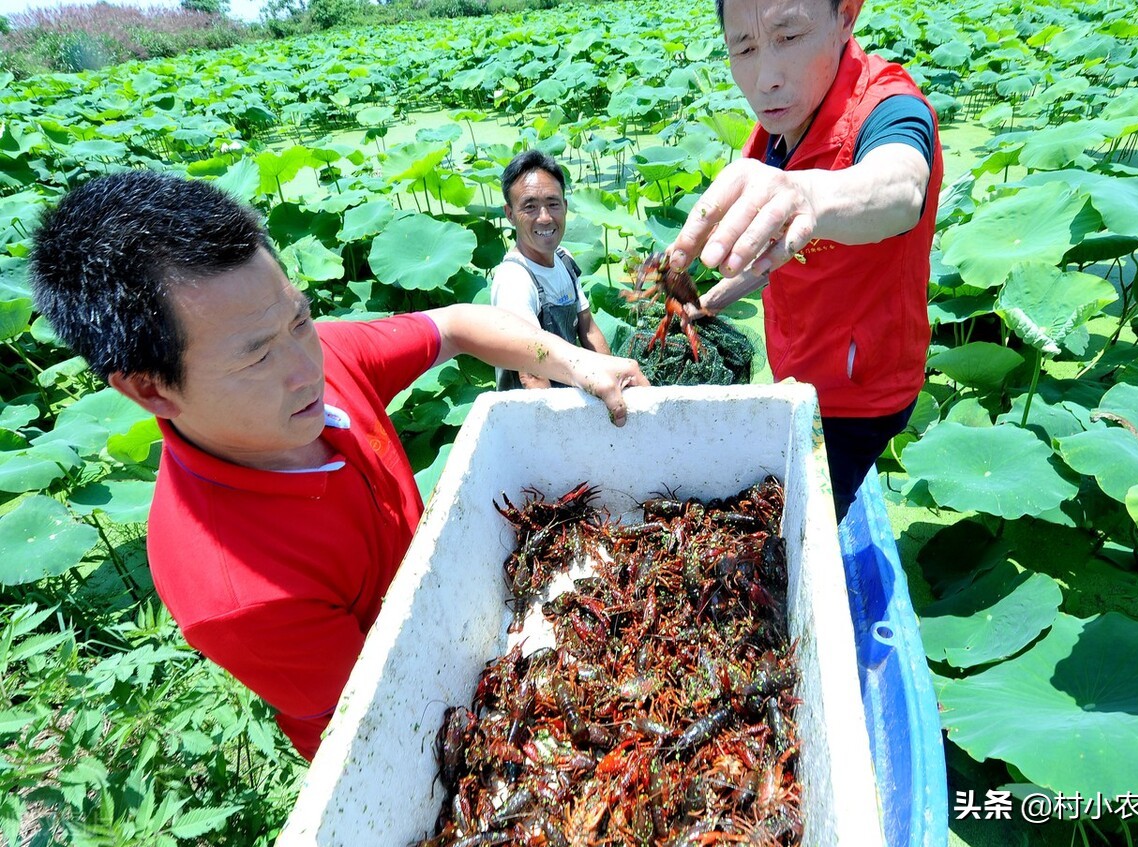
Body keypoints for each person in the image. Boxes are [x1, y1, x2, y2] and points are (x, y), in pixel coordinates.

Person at [29, 171, 647, 761]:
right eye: (254, 359)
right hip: (405, 721)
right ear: (150, 389)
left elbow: (456, 325)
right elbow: (396, 717)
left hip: (465, 604)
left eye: (298, 319)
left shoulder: (310, 355)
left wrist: (573, 362)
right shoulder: (239, 596)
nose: (306, 367)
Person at [670, 0, 943, 521]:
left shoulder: (890, 109)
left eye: (789, 37)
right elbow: (776, 253)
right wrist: (709, 301)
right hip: (797, 368)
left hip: (858, 394)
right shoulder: (779, 124)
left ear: (846, 15)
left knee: (798, 523)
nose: (766, 78)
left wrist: (808, 197)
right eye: (744, 49)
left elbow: (903, 184)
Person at [490, 149, 611, 390]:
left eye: (552, 204)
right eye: (530, 207)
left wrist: (613, 379)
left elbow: (588, 329)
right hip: (532, 410)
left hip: (567, 390)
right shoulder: (514, 280)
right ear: (510, 214)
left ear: (565, 206)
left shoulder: (563, 259)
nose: (545, 218)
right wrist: (558, 425)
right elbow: (531, 373)